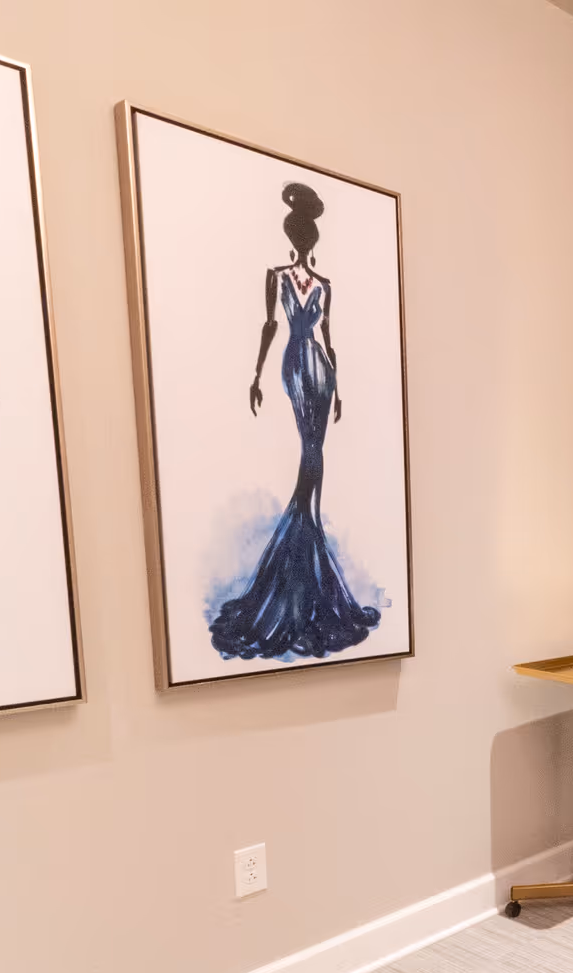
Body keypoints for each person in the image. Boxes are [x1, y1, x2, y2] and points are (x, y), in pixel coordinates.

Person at [209, 182, 379, 660]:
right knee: (311, 447)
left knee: (315, 448)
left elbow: (328, 338)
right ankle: (307, 529)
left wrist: (338, 389)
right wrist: (256, 375)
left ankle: (308, 527)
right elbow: (274, 327)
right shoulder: (283, 277)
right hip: (301, 362)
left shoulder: (320, 284)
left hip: (316, 366)